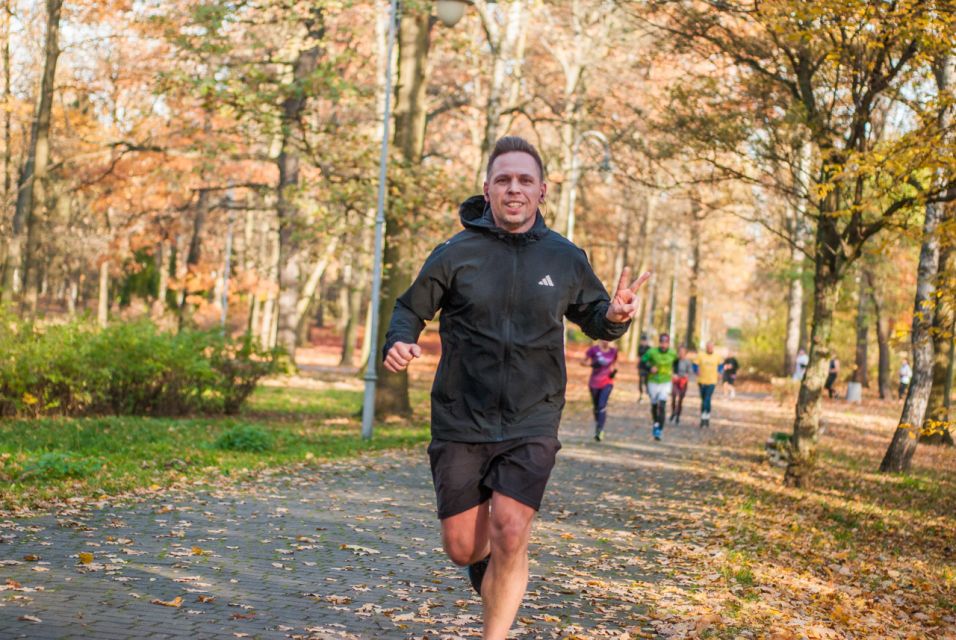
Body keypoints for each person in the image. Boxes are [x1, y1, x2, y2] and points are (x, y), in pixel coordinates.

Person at [382, 136, 650, 640]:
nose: (514, 189)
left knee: (510, 528)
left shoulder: (565, 257)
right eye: (503, 179)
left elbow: (596, 317)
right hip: (461, 416)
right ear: (487, 189)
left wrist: (615, 315)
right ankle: (493, 565)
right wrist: (399, 341)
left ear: (542, 190)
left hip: (533, 416)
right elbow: (409, 309)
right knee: (462, 547)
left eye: (525, 180)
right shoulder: (454, 253)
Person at [640, 333, 678, 440]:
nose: (663, 345)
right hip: (653, 381)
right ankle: (656, 422)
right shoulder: (652, 352)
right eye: (662, 342)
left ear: (668, 343)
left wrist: (675, 372)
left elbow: (677, 362)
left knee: (662, 405)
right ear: (659, 342)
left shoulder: (673, 353)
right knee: (654, 405)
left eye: (665, 342)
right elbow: (642, 362)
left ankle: (659, 429)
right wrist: (650, 368)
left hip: (665, 382)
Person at [582, 340, 618, 441]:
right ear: (601, 340)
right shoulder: (593, 350)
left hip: (607, 382)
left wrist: (614, 372)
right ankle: (598, 424)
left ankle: (600, 429)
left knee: (602, 405)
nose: (606, 341)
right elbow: (582, 362)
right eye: (604, 339)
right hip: (594, 383)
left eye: (609, 339)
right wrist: (592, 364)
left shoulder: (613, 351)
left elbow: (615, 363)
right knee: (596, 407)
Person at [692, 341, 721, 428]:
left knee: (707, 398)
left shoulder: (717, 356)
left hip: (712, 381)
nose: (709, 348)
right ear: (706, 347)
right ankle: (704, 417)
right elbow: (694, 365)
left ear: (713, 347)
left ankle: (706, 417)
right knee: (703, 399)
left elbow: (721, 366)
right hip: (702, 381)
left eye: (711, 347)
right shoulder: (700, 355)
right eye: (708, 347)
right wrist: (696, 370)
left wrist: (719, 372)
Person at [670, 346, 693, 425]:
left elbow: (690, 371)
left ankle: (678, 416)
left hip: (683, 382)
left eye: (683, 352)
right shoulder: (675, 361)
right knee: (673, 396)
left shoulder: (688, 362)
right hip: (676, 381)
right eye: (680, 352)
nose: (681, 354)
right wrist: (673, 374)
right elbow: (671, 369)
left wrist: (686, 375)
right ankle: (673, 411)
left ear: (685, 353)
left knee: (680, 399)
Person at [637, 333, 651, 404]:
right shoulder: (640, 347)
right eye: (642, 340)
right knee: (640, 381)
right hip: (641, 367)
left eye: (644, 340)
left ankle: (649, 394)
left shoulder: (649, 348)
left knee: (646, 381)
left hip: (647, 367)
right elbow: (639, 357)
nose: (643, 342)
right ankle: (641, 396)